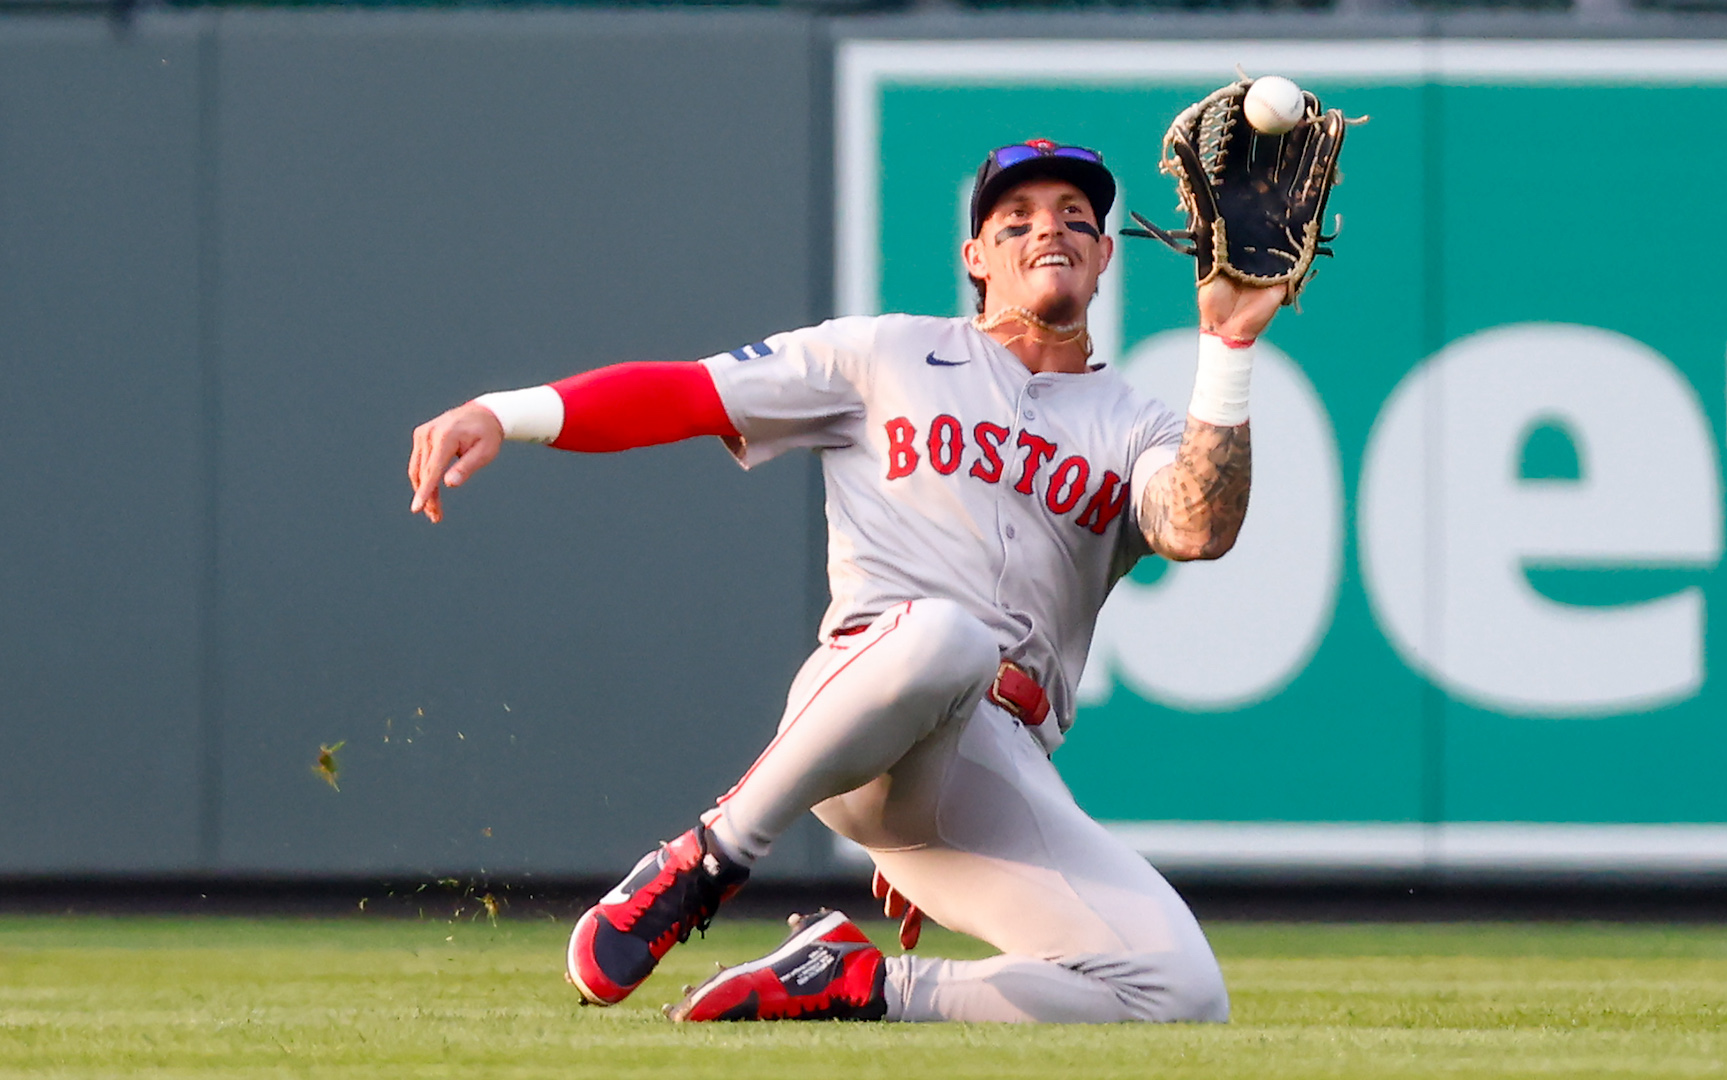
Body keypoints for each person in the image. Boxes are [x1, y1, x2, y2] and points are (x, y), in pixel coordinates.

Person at [407, 139, 1288, 1023]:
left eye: (1073, 217)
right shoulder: (885, 356)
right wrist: (505, 413)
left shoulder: (1137, 425)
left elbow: (1198, 526)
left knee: (1180, 994)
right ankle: (705, 861)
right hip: (866, 699)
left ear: (1103, 256)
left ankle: (854, 983)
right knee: (952, 637)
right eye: (1014, 219)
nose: (1046, 230)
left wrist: (1230, 343)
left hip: (990, 764)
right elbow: (688, 394)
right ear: (976, 260)